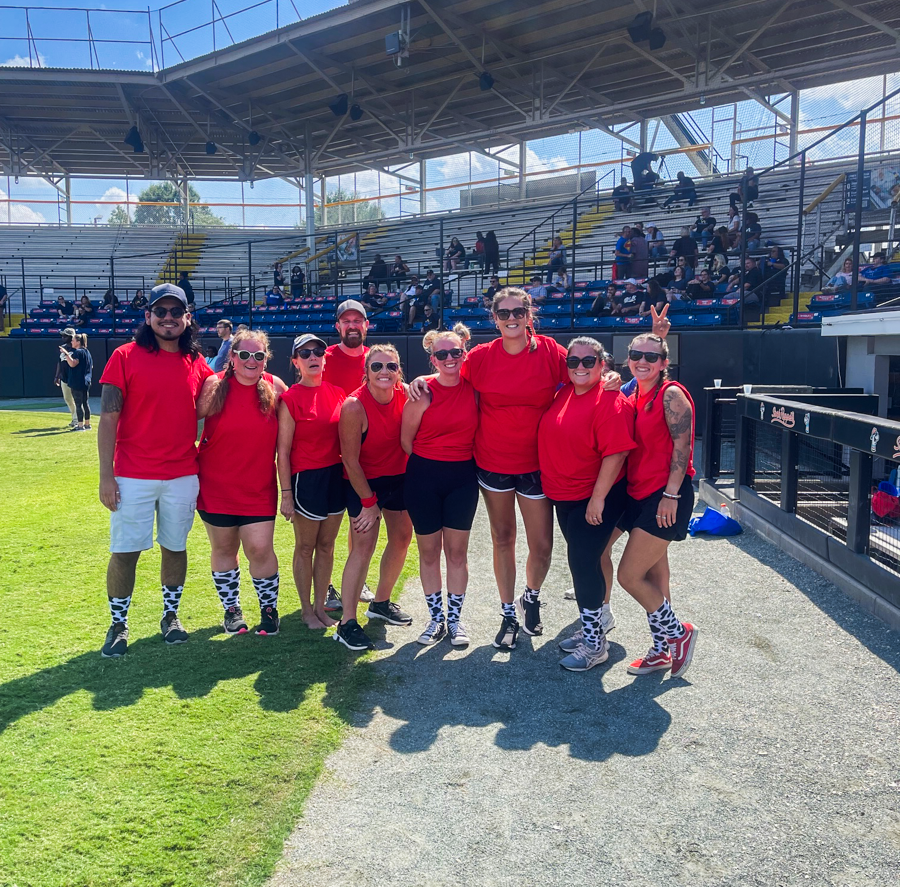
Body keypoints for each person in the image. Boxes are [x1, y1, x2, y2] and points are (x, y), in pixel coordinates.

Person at [411, 288, 567, 650]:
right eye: (503, 312)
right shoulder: (480, 357)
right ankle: (508, 613)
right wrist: (418, 380)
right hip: (493, 463)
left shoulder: (550, 352)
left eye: (518, 311)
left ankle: (532, 595)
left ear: (529, 314)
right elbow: (446, 366)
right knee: (503, 539)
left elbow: (583, 376)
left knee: (542, 545)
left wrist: (608, 381)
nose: (511, 318)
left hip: (537, 464)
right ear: (494, 318)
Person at [96, 283, 213, 658]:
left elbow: (222, 398)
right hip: (133, 474)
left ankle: (171, 616)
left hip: (182, 473)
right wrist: (105, 475)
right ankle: (118, 623)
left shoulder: (197, 363)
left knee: (174, 547)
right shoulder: (124, 356)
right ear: (148, 317)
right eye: (160, 312)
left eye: (175, 312)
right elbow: (108, 419)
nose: (168, 318)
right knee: (126, 550)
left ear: (186, 318)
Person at [539, 337, 637, 671]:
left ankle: (596, 645)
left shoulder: (610, 399)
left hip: (592, 498)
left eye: (588, 361)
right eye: (573, 361)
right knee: (587, 562)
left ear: (602, 363)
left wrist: (597, 498)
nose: (580, 367)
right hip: (564, 496)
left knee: (582, 564)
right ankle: (593, 627)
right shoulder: (564, 391)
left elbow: (617, 452)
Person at [617, 333, 698, 678]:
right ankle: (662, 649)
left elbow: (683, 446)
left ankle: (679, 634)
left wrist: (671, 494)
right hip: (637, 494)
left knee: (629, 576)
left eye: (652, 356)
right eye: (637, 354)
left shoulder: (671, 394)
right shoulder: (632, 393)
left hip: (664, 496)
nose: (643, 361)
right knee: (653, 574)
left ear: (665, 363)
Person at [196, 330, 288, 636]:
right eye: (244, 355)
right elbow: (183, 421)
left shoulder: (275, 387)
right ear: (232, 357)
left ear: (266, 359)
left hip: (259, 488)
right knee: (223, 548)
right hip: (216, 486)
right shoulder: (214, 384)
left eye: (258, 355)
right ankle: (231, 609)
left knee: (260, 548)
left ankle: (269, 608)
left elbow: (301, 419)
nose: (251, 361)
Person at [401, 325, 479, 646]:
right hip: (423, 478)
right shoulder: (422, 393)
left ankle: (456, 621)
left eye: (455, 352)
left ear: (464, 354)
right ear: (432, 359)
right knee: (429, 552)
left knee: (457, 554)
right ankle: (436, 619)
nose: (449, 358)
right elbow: (406, 441)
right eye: (442, 354)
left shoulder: (476, 389)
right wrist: (432, 460)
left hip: (462, 478)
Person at [335, 345, 414, 651]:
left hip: (398, 478)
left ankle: (380, 603)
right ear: (366, 371)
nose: (384, 372)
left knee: (402, 538)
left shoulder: (407, 393)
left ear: (399, 371)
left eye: (391, 366)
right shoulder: (354, 406)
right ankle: (347, 623)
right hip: (362, 482)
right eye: (377, 366)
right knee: (363, 546)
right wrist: (369, 503)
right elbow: (350, 461)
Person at [277, 334, 347, 630]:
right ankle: (306, 611)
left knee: (327, 545)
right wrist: (286, 494)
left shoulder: (339, 393)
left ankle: (321, 606)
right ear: (295, 362)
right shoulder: (290, 398)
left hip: (335, 477)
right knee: (305, 547)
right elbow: (282, 450)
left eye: (318, 351)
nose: (313, 357)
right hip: (306, 479)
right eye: (304, 353)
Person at [323, 299, 375, 608]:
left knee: (361, 528)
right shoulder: (324, 357)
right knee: (326, 533)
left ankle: (358, 580)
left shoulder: (376, 359)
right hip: (327, 457)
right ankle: (328, 586)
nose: (353, 325)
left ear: (367, 325)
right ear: (338, 326)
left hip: (362, 460)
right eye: (347, 320)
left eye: (358, 320)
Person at [62, 333, 93, 431]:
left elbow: (73, 364)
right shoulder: (87, 352)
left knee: (78, 404)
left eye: (73, 340)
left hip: (77, 381)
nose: (72, 342)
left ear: (78, 342)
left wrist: (66, 354)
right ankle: (87, 424)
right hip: (86, 381)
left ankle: (80, 425)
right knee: (85, 403)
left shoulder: (78, 352)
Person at [54, 327, 78, 429]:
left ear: (71, 337)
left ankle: (78, 419)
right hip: (64, 377)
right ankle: (74, 417)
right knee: (68, 398)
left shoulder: (77, 348)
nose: (63, 337)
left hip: (75, 377)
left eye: (65, 336)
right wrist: (57, 376)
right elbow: (60, 362)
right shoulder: (63, 347)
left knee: (77, 399)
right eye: (62, 335)